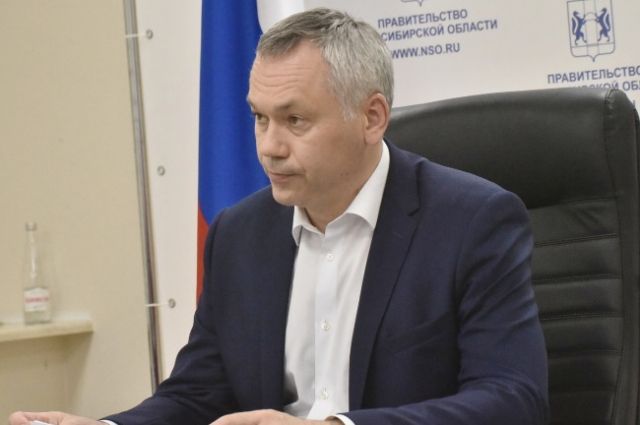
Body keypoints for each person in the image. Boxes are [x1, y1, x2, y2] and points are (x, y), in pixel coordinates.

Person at [9, 7, 548, 425]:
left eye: (295, 120)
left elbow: (512, 399)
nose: (269, 147)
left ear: (372, 117)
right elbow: (199, 393)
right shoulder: (239, 235)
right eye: (260, 118)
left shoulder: (471, 222)